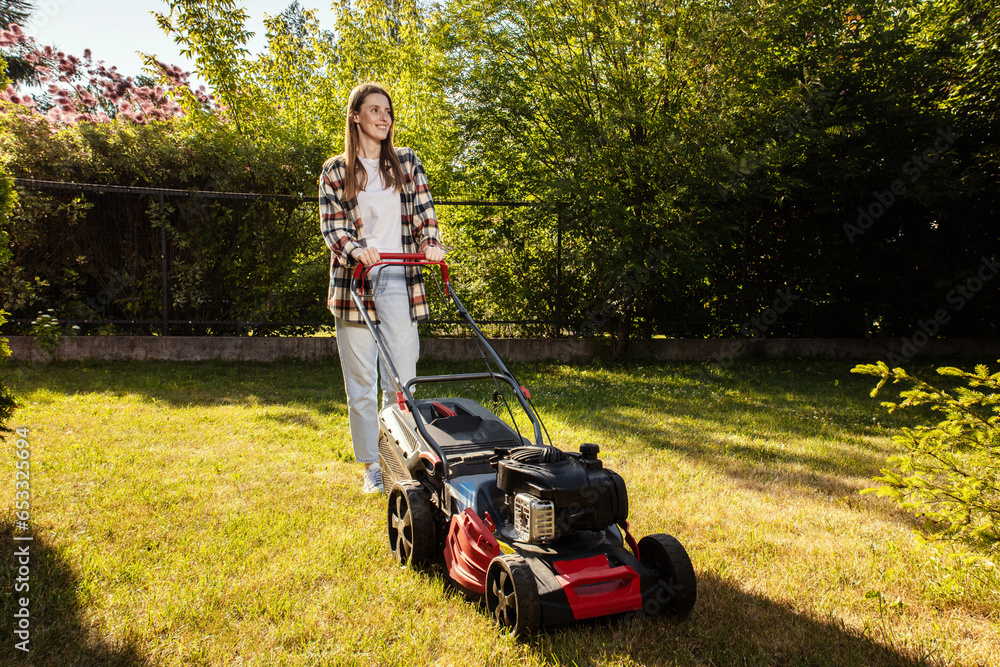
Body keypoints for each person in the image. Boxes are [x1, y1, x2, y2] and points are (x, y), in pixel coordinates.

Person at [319, 82, 445, 494]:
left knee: (401, 381)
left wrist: (430, 242)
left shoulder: (406, 162)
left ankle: (399, 459)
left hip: (400, 278)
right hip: (355, 282)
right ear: (356, 116)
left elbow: (425, 210)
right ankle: (372, 465)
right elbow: (333, 225)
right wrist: (357, 250)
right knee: (361, 385)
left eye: (388, 111)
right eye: (374, 110)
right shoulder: (336, 170)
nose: (383, 117)